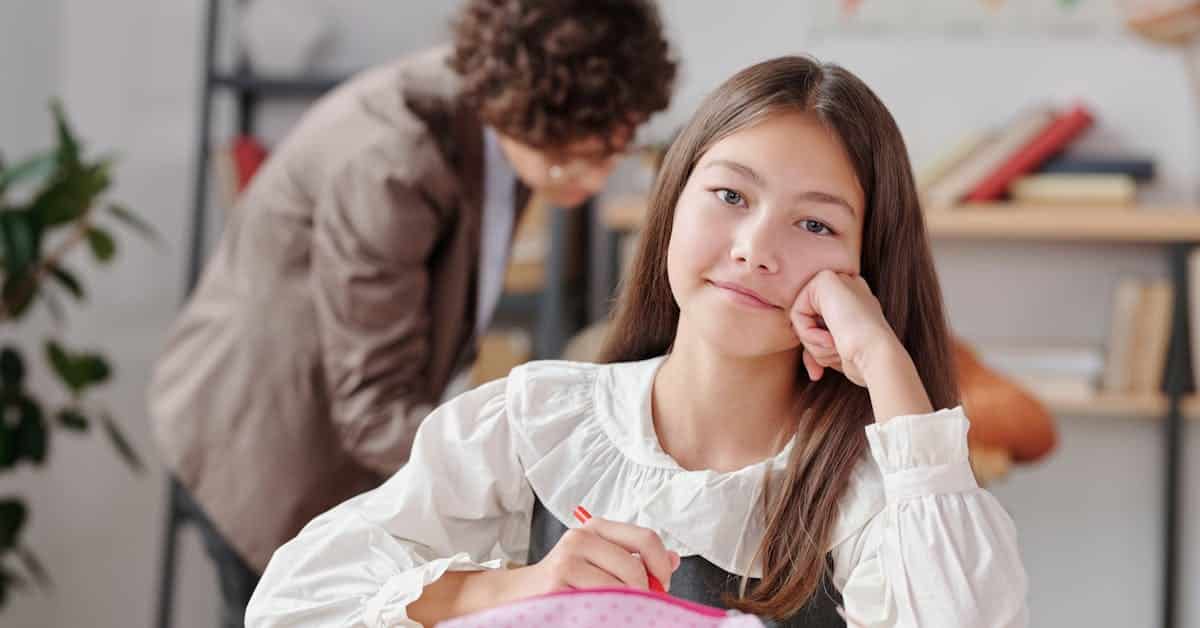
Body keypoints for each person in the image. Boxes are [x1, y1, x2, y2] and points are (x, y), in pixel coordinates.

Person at [244, 55, 1028, 628]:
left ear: (866, 266)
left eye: (815, 223)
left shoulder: (871, 491)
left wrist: (886, 365)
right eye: (729, 195)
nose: (757, 247)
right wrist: (514, 589)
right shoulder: (537, 421)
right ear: (672, 203)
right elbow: (291, 605)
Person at [147, 2, 675, 626]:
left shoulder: (500, 119)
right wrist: (524, 477)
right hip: (260, 438)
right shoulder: (393, 158)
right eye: (592, 150)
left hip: (325, 426)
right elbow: (373, 406)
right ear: (542, 109)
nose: (601, 174)